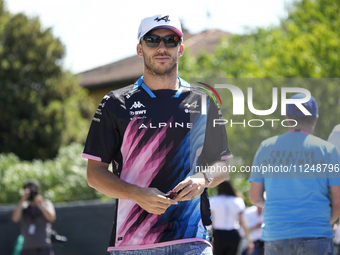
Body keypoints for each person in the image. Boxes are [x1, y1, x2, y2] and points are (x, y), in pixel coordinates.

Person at [82, 14, 232, 254]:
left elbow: (221, 166)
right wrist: (137, 194)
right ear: (140, 49)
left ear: (180, 49)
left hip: (192, 240)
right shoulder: (115, 103)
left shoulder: (203, 101)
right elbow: (95, 174)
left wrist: (202, 179)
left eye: (170, 40)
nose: (162, 47)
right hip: (132, 244)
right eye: (152, 40)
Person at [249, 93, 340, 255]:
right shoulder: (327, 150)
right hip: (316, 234)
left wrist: (279, 206)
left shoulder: (266, 147)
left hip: (276, 235)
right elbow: (338, 201)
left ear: (287, 117)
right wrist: (327, 222)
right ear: (315, 118)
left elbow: (255, 197)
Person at [12, 179, 56, 255]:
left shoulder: (46, 203)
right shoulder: (23, 206)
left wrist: (40, 204)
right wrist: (22, 200)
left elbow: (51, 218)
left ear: (38, 191)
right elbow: (15, 219)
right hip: (27, 249)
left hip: (43, 248)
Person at [210, 180, 254, 255]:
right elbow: (243, 221)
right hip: (233, 235)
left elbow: (211, 221)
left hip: (217, 234)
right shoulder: (238, 201)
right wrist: (249, 239)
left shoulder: (213, 201)